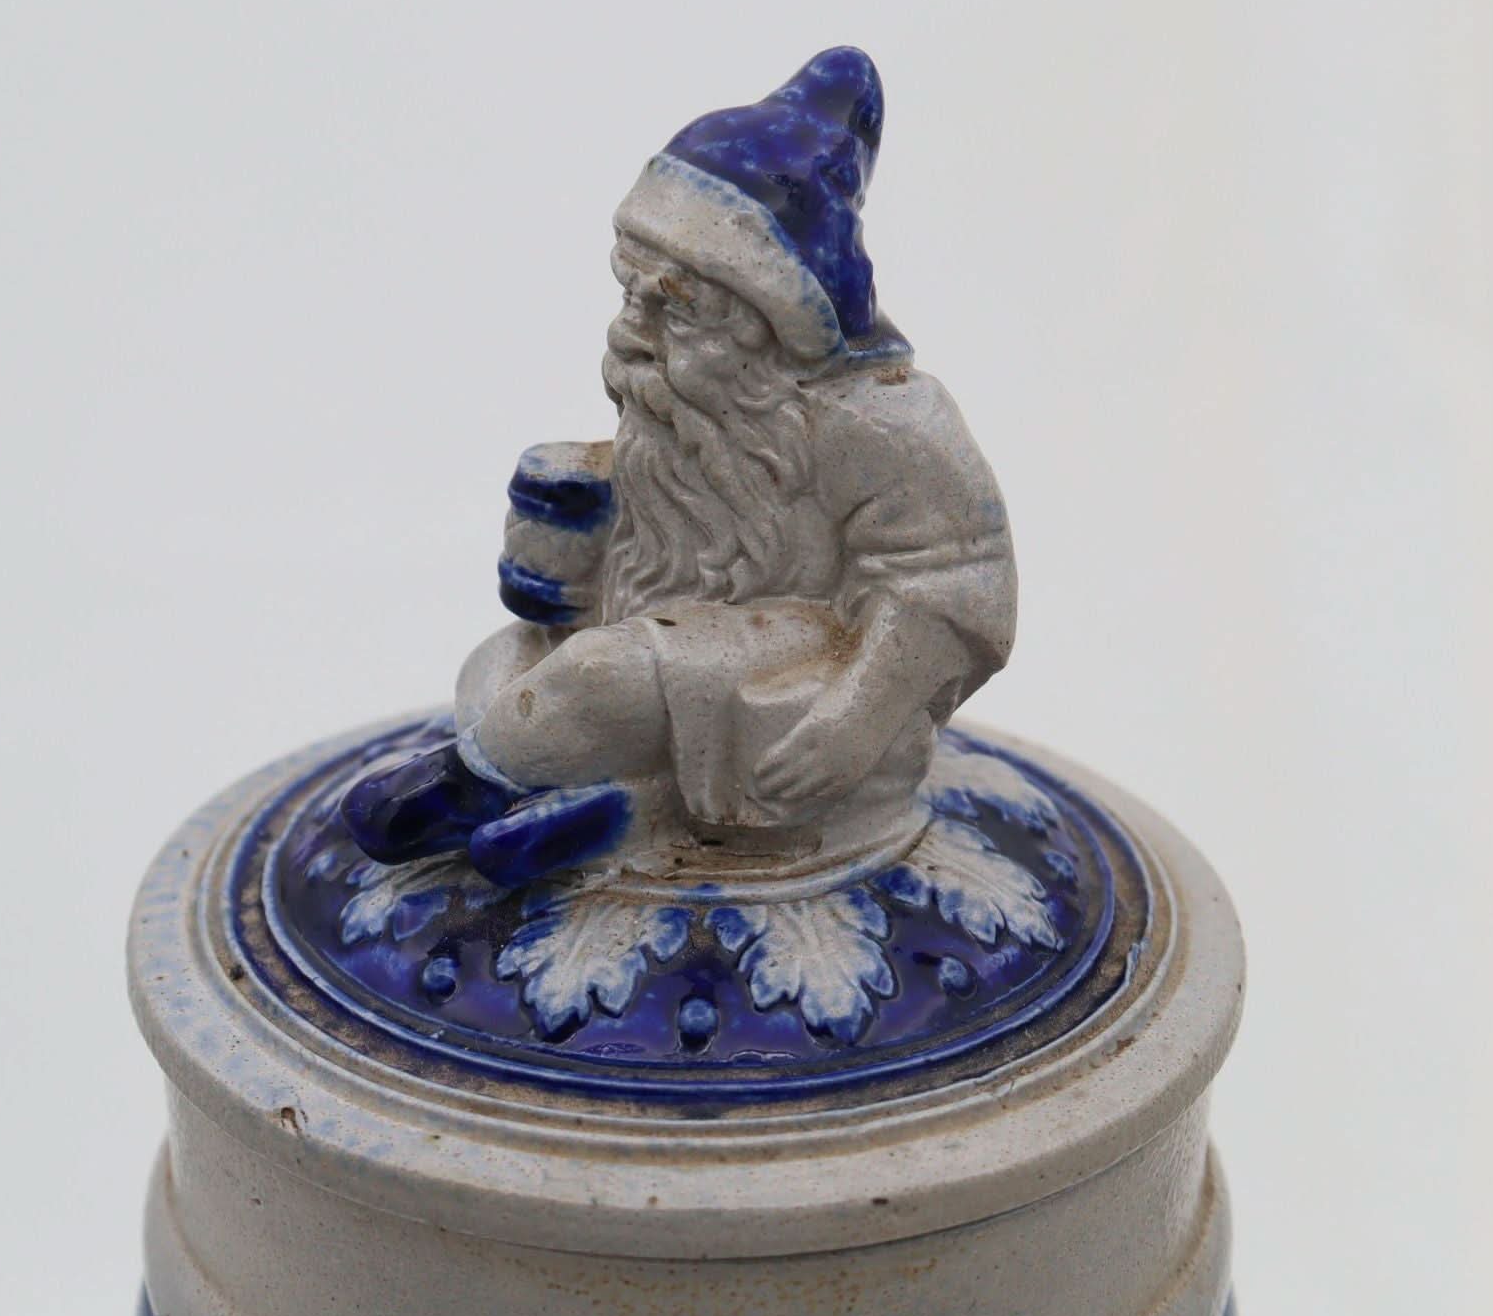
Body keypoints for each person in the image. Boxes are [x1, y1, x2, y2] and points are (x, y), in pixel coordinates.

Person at [345, 48, 1017, 888]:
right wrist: (575, 524)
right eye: (629, 294)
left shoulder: (884, 421)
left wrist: (856, 715)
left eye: (672, 308)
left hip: (798, 688)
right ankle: (620, 802)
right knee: (506, 660)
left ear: (767, 322)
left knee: (593, 675)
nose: (631, 330)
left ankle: (461, 789)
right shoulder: (690, 404)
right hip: (652, 648)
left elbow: (956, 583)